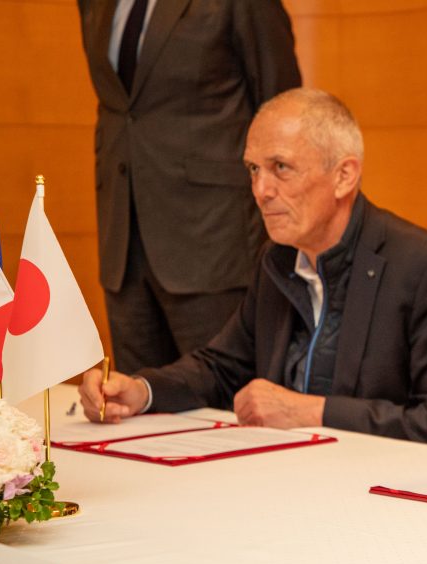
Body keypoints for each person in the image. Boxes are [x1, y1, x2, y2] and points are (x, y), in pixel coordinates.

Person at [79, 88, 427, 447]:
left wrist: (312, 412)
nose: (260, 191)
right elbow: (220, 367)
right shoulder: (277, 258)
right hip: (281, 475)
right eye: (254, 169)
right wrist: (142, 390)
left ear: (344, 176)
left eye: (280, 168)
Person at [77, 0, 302, 373]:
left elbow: (283, 110)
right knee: (139, 405)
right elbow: (123, 106)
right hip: (123, 238)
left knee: (225, 404)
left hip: (214, 237)